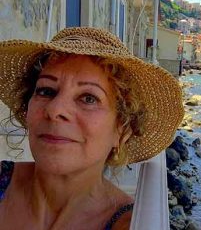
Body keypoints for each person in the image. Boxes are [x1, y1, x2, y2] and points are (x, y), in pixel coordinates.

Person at [0, 27, 184, 229]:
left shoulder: (131, 224)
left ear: (122, 131)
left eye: (88, 98)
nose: (55, 109)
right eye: (46, 91)